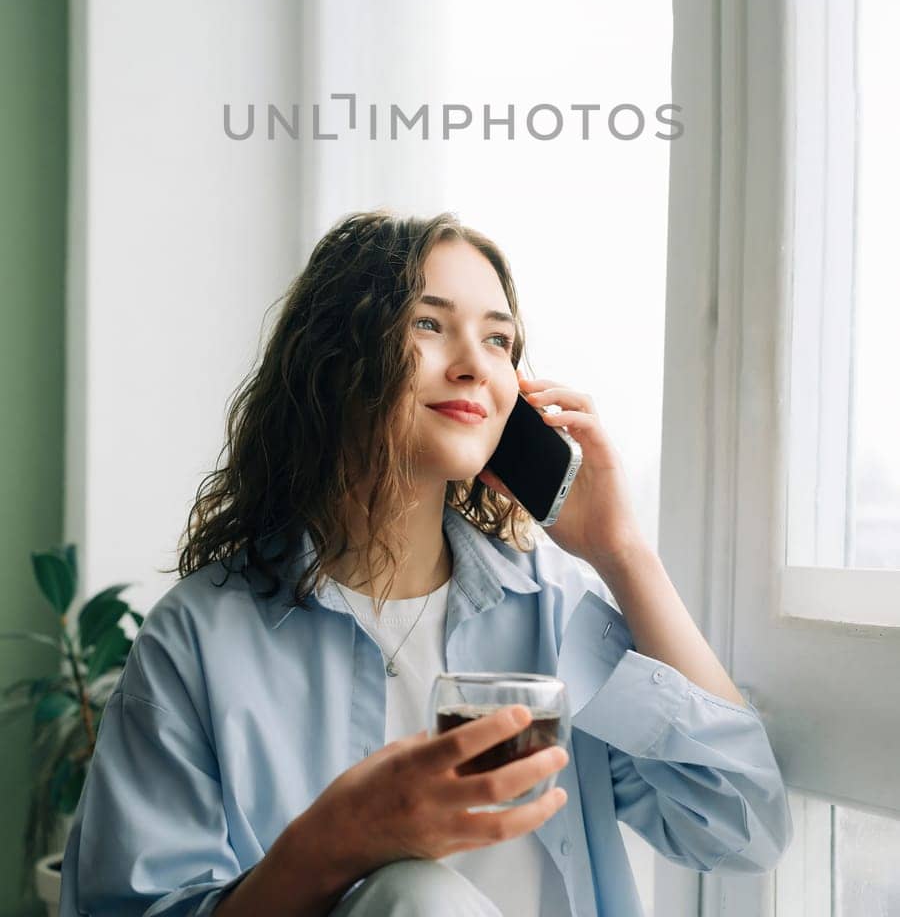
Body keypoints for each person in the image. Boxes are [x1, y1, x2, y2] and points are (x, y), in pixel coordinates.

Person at [58, 209, 792, 916]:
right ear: (337, 361)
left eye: (500, 341)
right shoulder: (199, 640)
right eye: (430, 325)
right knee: (415, 895)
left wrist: (622, 554)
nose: (476, 364)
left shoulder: (556, 609)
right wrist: (331, 845)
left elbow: (738, 827)